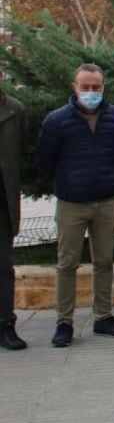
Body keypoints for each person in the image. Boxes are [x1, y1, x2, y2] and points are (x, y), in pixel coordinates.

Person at [38, 64, 114, 346]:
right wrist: (65, 183)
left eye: (96, 87)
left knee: (104, 261)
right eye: (86, 87)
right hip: (71, 203)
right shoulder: (57, 120)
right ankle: (64, 322)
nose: (91, 92)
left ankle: (103, 316)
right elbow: (45, 160)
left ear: (103, 87)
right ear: (74, 87)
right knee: (67, 264)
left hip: (105, 201)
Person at [0, 87, 29, 350]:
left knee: (4, 266)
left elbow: (21, 149)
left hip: (3, 201)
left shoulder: (15, 110)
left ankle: (6, 325)